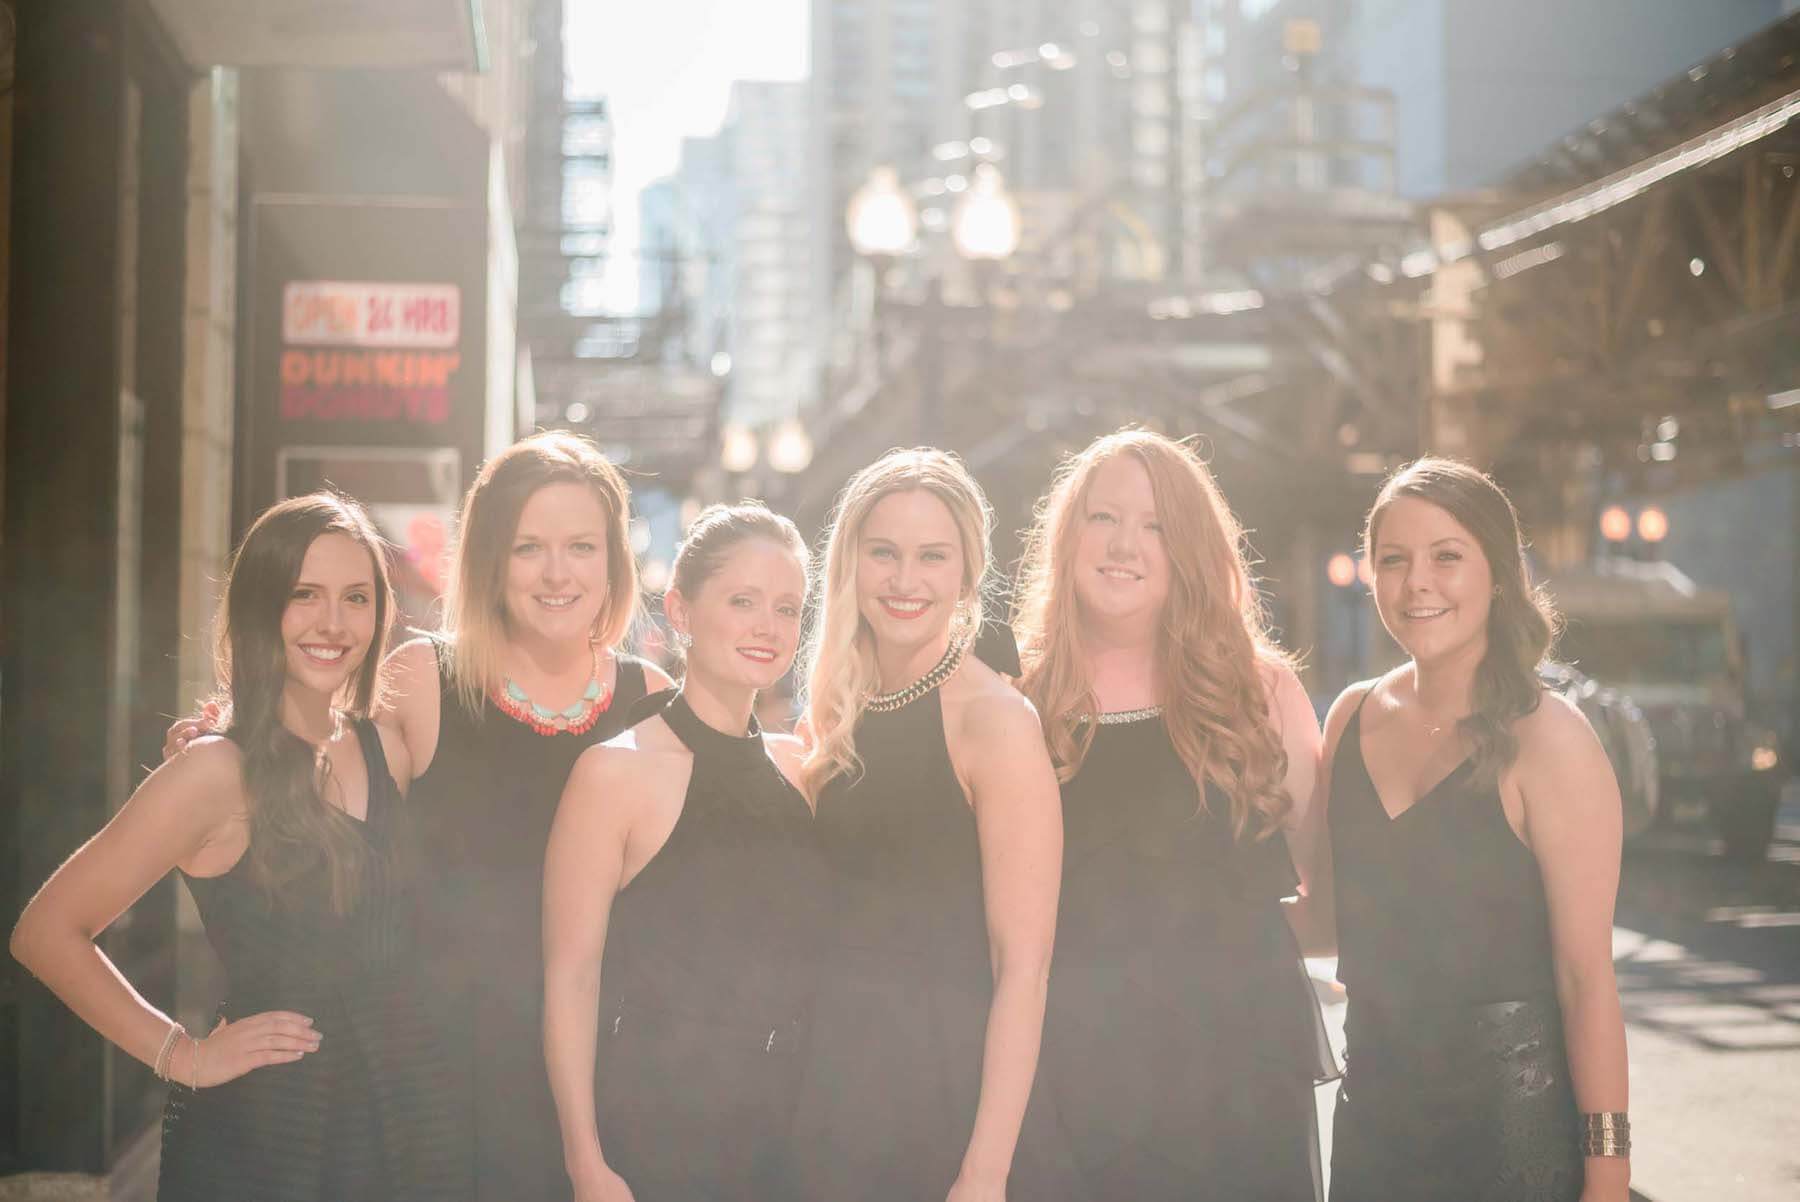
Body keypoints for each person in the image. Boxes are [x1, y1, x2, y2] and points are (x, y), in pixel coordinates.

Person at [167, 432, 672, 1199]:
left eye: (582, 546)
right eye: (529, 546)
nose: (558, 571)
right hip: (438, 1079)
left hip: (606, 1078)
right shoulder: (424, 679)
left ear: (614, 564)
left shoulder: (651, 698)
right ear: (489, 562)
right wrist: (219, 735)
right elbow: (314, 755)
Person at [12, 494, 465, 1202]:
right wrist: (181, 1054)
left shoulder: (387, 746)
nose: (333, 623)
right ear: (259, 607)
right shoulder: (214, 770)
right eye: (303, 595)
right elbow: (46, 932)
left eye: (356, 598)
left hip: (402, 1118)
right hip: (271, 1134)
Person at [1012, 429, 1331, 1201]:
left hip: (1238, 1075)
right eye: (1103, 518)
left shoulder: (1259, 693)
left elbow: (1331, 895)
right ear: (1067, 534)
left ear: (1188, 547)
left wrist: (1215, 957)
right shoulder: (1016, 699)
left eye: (1155, 525)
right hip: (1073, 1075)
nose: (1126, 544)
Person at [1314, 457, 1629, 1202]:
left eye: (1446, 556)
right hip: (1373, 1138)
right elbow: (1324, 919)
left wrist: (1609, 1179)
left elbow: (1587, 981)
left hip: (1513, 1149)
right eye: (1393, 560)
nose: (1417, 582)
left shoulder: (1553, 741)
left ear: (1498, 573)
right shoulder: (1350, 719)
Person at [789, 448, 1067, 1202]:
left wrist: (985, 1170)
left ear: (967, 573)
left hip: (948, 1099)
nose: (905, 581)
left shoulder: (995, 721)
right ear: (850, 562)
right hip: (833, 1085)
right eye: (883, 553)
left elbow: (1024, 968)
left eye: (931, 557)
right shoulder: (835, 708)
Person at [542, 502, 825, 1202]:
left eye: (787, 608)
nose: (768, 626)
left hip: (791, 1140)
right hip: (659, 1140)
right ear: (682, 611)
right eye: (743, 601)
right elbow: (571, 979)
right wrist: (586, 1162)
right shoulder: (614, 772)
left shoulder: (807, 771)